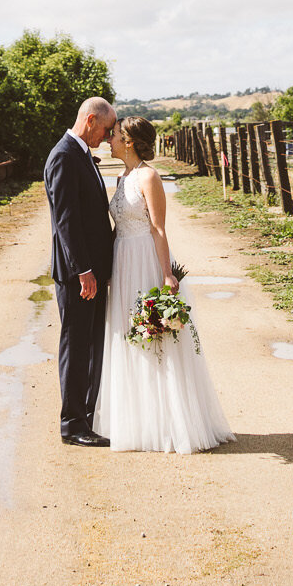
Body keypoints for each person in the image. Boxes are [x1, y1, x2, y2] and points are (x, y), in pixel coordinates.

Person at [94, 116, 234, 453]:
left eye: (114, 135)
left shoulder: (149, 176)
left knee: (155, 337)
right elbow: (119, 226)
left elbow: (158, 228)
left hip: (144, 259)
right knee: (130, 337)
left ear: (129, 141)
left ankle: (170, 421)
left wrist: (167, 275)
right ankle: (140, 420)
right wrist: (108, 265)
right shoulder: (122, 176)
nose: (108, 140)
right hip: (123, 259)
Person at [44, 96, 117, 446]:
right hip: (78, 276)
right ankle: (72, 425)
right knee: (76, 347)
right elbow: (66, 221)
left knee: (90, 346)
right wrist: (84, 270)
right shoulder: (63, 156)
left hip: (91, 272)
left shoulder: (81, 153)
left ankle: (86, 417)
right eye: (106, 129)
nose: (108, 136)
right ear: (90, 121)